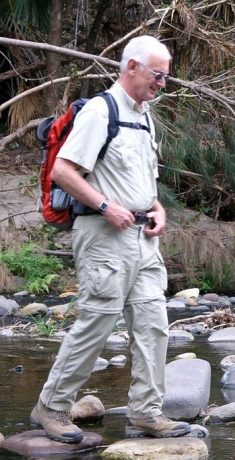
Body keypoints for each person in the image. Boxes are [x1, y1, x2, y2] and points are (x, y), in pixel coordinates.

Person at [30, 35, 190, 443]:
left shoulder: (145, 115)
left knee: (154, 325)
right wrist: (105, 206)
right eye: (158, 75)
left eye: (165, 77)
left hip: (141, 238)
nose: (162, 84)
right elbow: (63, 171)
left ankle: (146, 413)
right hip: (104, 236)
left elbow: (141, 180)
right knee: (98, 322)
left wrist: (158, 208)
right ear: (131, 67)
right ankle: (52, 406)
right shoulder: (102, 111)